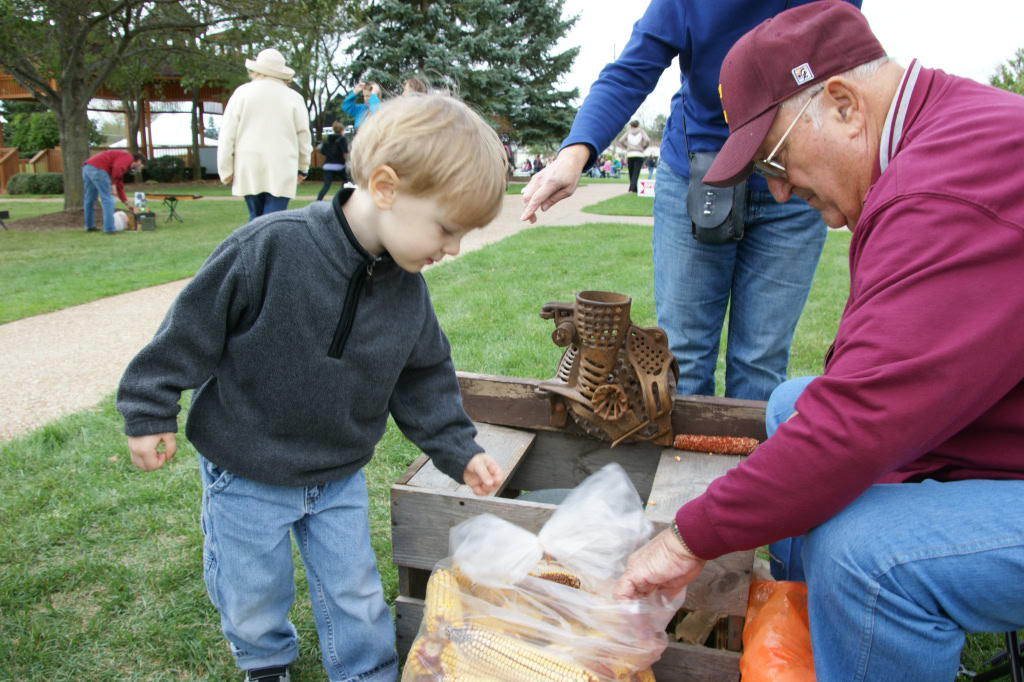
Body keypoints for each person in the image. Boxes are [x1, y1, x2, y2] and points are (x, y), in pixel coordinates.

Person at [612, 4, 1024, 679]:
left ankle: (852, 615)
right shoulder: (936, 141)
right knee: (790, 405)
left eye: (774, 157)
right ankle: (802, 643)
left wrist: (686, 539)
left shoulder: (947, 186)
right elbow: (859, 395)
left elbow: (859, 422)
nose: (777, 191)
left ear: (841, 105)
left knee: (866, 556)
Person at [116, 94, 509, 682]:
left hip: (338, 475)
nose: (452, 249)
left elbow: (422, 374)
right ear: (384, 187)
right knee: (252, 589)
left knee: (354, 590)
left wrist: (460, 449)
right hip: (246, 468)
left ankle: (365, 670)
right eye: (447, 228)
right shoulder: (269, 247)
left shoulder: (407, 290)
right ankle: (266, 662)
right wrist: (149, 408)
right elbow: (191, 329)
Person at [521, 0, 862, 402]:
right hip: (699, 171)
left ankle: (751, 464)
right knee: (683, 359)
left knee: (761, 363)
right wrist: (575, 153)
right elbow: (633, 67)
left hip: (797, 176)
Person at [217, 48, 312, 222]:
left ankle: (254, 249)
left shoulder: (242, 93)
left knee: (256, 219)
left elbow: (227, 135)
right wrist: (303, 167)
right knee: (273, 220)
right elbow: (304, 137)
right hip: (282, 165)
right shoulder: (294, 98)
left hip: (248, 165)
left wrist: (225, 169)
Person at [81, 150, 145, 233]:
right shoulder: (128, 157)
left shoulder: (122, 161)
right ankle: (109, 228)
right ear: (139, 161)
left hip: (87, 167)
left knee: (89, 199)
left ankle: (89, 226)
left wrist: (127, 203)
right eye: (140, 167)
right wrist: (113, 184)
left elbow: (119, 185)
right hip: (99, 169)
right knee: (108, 199)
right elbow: (117, 167)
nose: (138, 169)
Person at [316, 120, 349, 201]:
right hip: (339, 165)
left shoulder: (328, 139)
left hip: (327, 166)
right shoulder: (342, 139)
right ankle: (338, 199)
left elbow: (322, 151)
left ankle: (318, 201)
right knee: (346, 181)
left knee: (326, 186)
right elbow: (345, 153)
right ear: (342, 131)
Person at [617, 121, 650, 193]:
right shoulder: (641, 132)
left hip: (630, 154)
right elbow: (647, 140)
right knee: (636, 172)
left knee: (631, 172)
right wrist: (644, 147)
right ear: (638, 125)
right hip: (639, 154)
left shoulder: (628, 132)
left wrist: (627, 147)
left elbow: (621, 140)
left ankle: (633, 189)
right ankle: (633, 189)